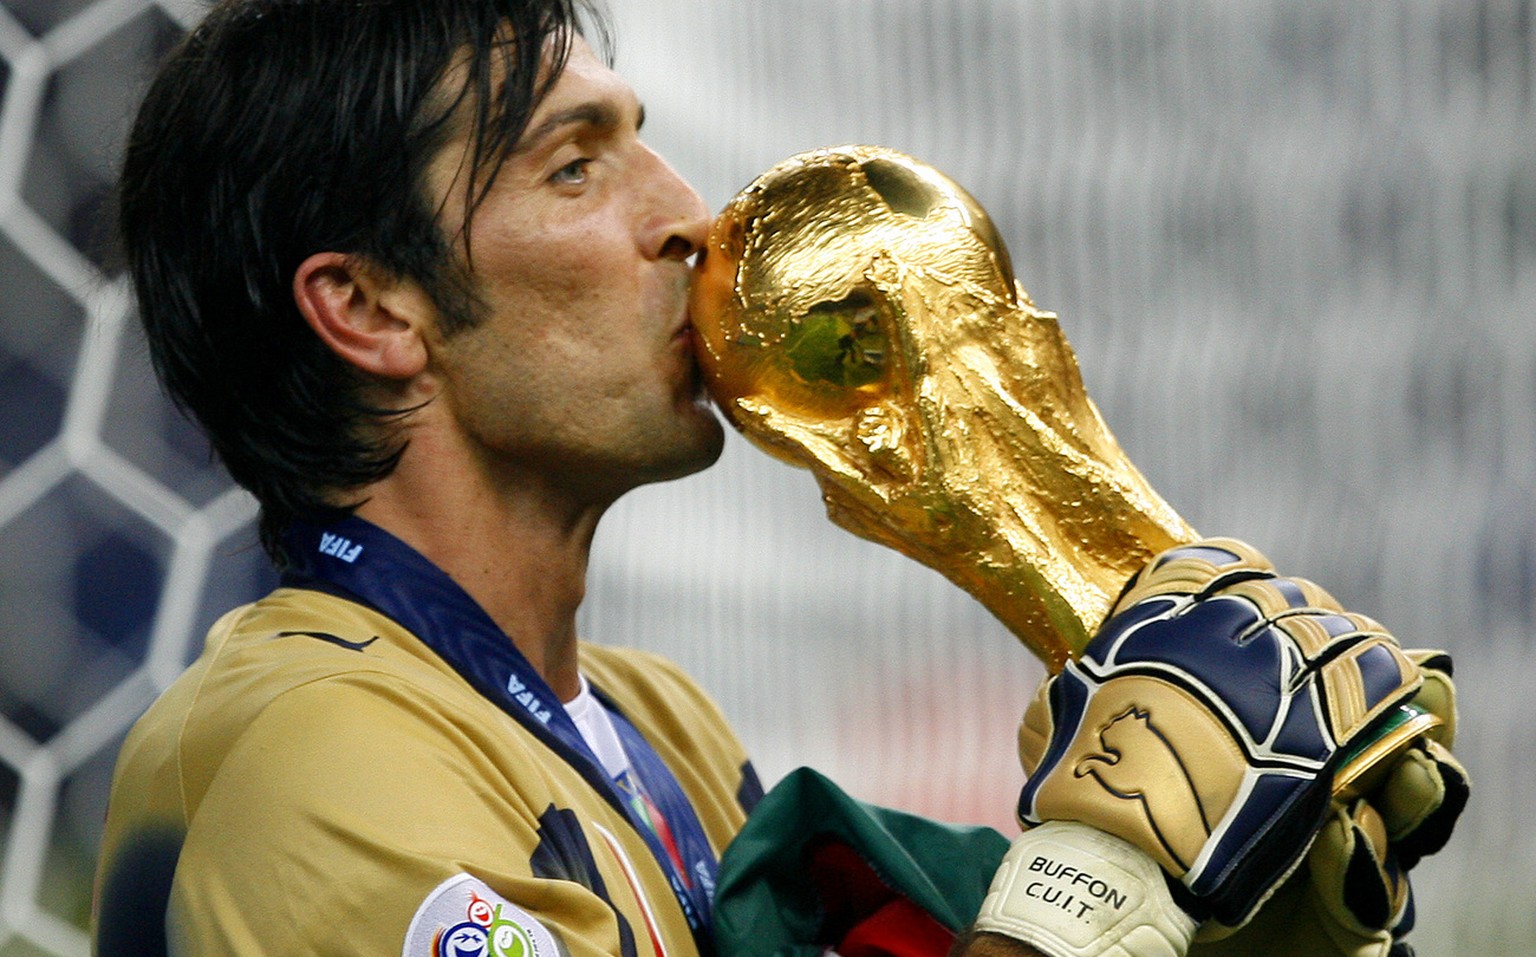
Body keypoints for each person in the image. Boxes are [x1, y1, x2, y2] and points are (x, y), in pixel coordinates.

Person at [93, 2, 1462, 956]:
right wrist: (1095, 879)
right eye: (576, 167)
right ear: (373, 311)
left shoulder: (652, 719)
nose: (684, 211)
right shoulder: (309, 755)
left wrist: (1255, 896)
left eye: (642, 137)